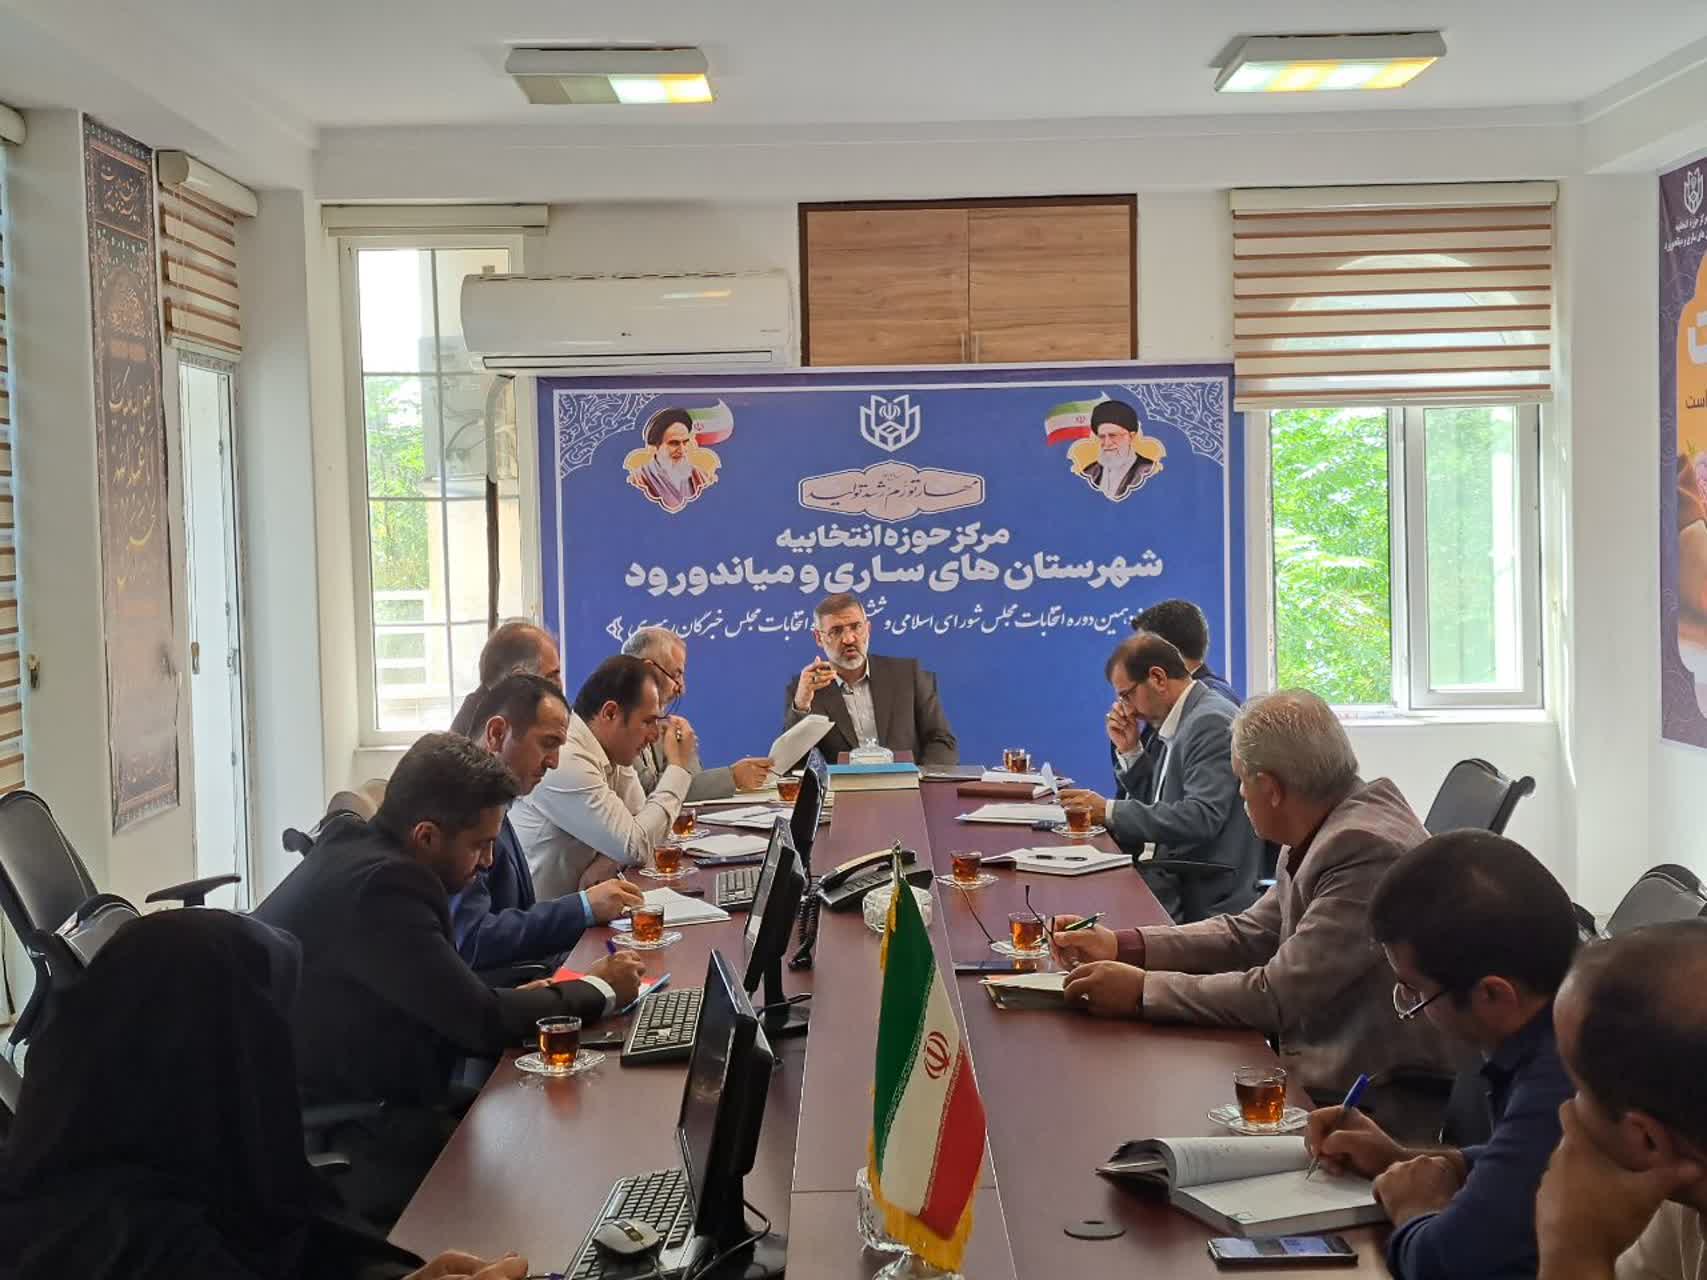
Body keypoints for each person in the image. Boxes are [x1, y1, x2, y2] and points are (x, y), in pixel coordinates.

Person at [0, 908, 532, 1279]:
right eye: (267, 1034)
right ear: (221, 1051)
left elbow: (304, 1245)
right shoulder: (118, 1242)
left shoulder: (207, 1166)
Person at [254, 733, 644, 1223]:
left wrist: (512, 997)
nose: (489, 861)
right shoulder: (384, 887)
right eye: (480, 845)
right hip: (344, 1123)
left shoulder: (360, 849)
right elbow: (480, 1023)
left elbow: (447, 994)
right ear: (426, 836)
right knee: (541, 1182)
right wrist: (599, 989)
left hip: (364, 1081)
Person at [1053, 689, 1454, 1134]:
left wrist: (1142, 991)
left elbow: (1276, 995)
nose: (1240, 795)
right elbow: (1251, 932)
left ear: (1270, 788)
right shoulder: (1327, 818)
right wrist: (1122, 945)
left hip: (1369, 1104)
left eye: (1241, 781)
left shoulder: (1361, 849)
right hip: (1327, 1066)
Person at [1304, 830, 1578, 1280]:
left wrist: (1416, 1208)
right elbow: (1532, 1163)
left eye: (1415, 992)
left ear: (1493, 995)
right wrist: (1410, 1161)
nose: (1412, 1008)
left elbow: (1448, 1264)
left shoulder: (1568, 1072)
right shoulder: (1571, 1009)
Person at [1534, 920, 1707, 1280]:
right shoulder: (1682, 1196)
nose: (1567, 1111)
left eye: (1580, 1088)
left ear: (1647, 1139)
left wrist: (1573, 1253)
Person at [1060, 633, 1263, 920]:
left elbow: (1201, 817)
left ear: (1157, 678)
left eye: (1127, 695)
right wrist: (1131, 751)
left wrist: (1109, 811)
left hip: (1202, 891)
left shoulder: (1209, 721)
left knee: (1082, 911)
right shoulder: (1185, 716)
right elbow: (1162, 804)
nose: (1127, 709)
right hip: (1173, 874)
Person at [449, 673, 644, 971]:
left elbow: (518, 917)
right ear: (497, 734)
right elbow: (474, 940)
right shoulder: (460, 807)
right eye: (548, 743)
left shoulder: (495, 797)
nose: (554, 762)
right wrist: (584, 908)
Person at [512, 655, 698, 895]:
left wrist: (611, 859)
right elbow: (638, 845)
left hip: (585, 910)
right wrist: (678, 769)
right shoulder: (566, 757)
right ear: (610, 713)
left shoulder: (614, 752)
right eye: (648, 721)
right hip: (547, 916)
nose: (655, 736)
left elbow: (646, 829)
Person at [783, 592, 957, 765]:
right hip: (843, 784)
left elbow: (941, 740)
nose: (849, 639)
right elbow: (793, 763)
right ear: (819, 638)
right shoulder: (806, 690)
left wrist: (920, 778)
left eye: (856, 627)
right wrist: (801, 706)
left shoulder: (907, 675)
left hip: (907, 782)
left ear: (868, 629)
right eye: (836, 631)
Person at [622, 627, 773, 801]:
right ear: (649, 671)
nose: (682, 689)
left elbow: (687, 782)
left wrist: (684, 750)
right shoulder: (618, 720)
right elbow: (649, 794)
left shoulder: (662, 722)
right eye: (676, 675)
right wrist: (732, 777)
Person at [448, 620, 561, 738]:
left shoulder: (479, 712)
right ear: (519, 679)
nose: (560, 687)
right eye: (551, 678)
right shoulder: (492, 736)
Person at [629, 407, 716, 513]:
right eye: (674, 443)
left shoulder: (701, 477)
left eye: (685, 442)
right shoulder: (638, 480)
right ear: (656, 446)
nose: (682, 450)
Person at [1077, 399, 1165, 501]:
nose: (1107, 443)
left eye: (1113, 435)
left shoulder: (1150, 471)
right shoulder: (1090, 472)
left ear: (1131, 436)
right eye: (1102, 437)